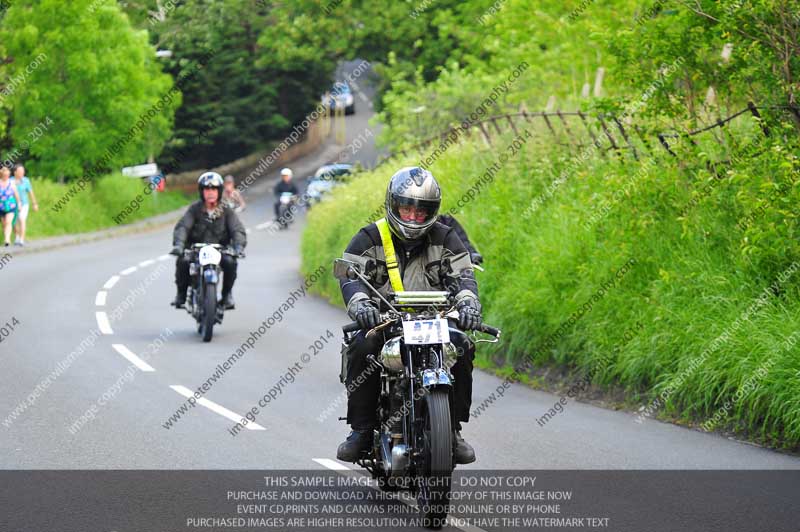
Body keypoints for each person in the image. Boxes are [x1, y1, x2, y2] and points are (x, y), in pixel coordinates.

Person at [336, 166, 482, 464]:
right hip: (385, 322)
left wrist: (468, 304)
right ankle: (361, 430)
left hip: (435, 321)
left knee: (464, 346)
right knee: (362, 346)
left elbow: (464, 276)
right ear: (393, 205)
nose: (413, 217)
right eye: (407, 209)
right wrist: (362, 306)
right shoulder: (370, 237)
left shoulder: (446, 237)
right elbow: (351, 276)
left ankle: (451, 431)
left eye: (421, 211)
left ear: (432, 211)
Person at [170, 172, 246, 310]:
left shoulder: (226, 210)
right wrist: (179, 244)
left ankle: (227, 294)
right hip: (196, 250)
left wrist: (239, 246)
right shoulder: (194, 209)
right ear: (201, 191)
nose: (210, 192)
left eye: (214, 189)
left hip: (219, 250)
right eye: (207, 189)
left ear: (219, 191)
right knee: (183, 261)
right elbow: (183, 227)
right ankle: (181, 294)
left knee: (230, 262)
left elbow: (237, 229)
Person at [11, 165, 39, 246]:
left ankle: (21, 240)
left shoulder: (26, 180)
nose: (22, 173)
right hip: (13, 204)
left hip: (24, 204)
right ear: (15, 172)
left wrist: (35, 204)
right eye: (20, 171)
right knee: (14, 222)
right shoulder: (10, 181)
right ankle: (17, 236)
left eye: (23, 171)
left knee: (22, 219)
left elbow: (31, 193)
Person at [0, 167, 21, 247]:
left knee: (9, 222)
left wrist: (19, 203)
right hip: (1, 206)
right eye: (4, 175)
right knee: (4, 224)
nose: (6, 176)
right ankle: (6, 237)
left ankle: (7, 239)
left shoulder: (11, 183)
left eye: (7, 175)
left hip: (11, 206)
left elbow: (16, 194)